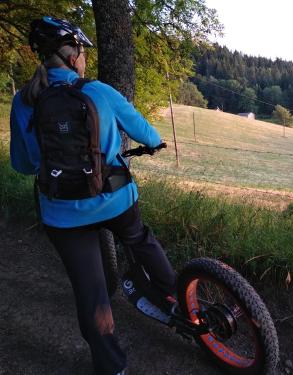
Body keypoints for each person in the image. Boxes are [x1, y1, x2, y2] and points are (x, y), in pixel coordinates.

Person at [10, 16, 177, 375]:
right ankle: (177, 299)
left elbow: (23, 166)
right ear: (71, 57)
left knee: (90, 289)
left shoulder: (24, 102)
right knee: (140, 239)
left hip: (62, 214)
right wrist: (154, 143)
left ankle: (111, 366)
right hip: (114, 198)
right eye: (82, 51)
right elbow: (145, 133)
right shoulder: (99, 91)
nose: (84, 58)